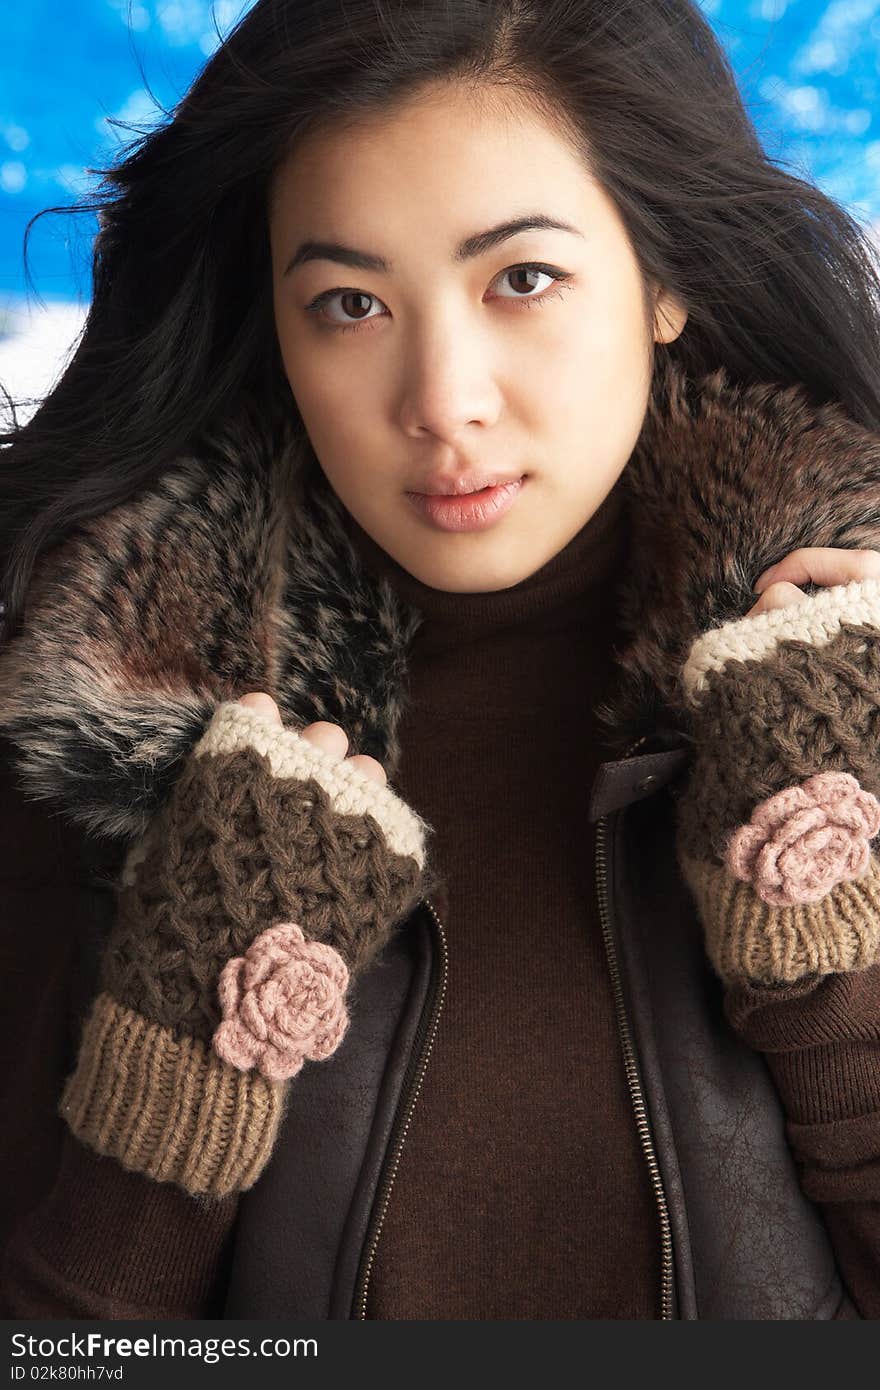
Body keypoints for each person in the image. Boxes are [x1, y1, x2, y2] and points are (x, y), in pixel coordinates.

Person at [0, 0, 879, 1321]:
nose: (441, 398)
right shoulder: (96, 746)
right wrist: (180, 1070)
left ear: (665, 279)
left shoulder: (858, 694)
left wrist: (832, 945)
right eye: (349, 303)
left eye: (520, 280)